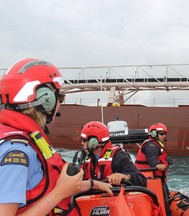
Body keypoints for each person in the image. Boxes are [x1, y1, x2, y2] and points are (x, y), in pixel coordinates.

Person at [0, 58, 113, 216]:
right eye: (59, 98)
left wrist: (94, 184)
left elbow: (47, 182)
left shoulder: (31, 141)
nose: (59, 103)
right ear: (46, 100)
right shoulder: (18, 154)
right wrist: (58, 194)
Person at [79, 120, 147, 187]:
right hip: (90, 196)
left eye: (84, 140)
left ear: (94, 142)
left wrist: (125, 177)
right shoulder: (86, 158)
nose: (82, 143)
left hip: (113, 196)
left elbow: (142, 180)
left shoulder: (118, 156)